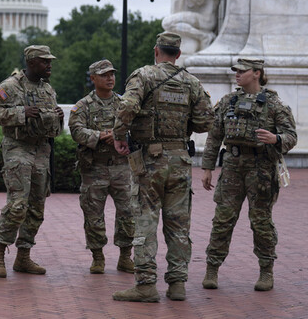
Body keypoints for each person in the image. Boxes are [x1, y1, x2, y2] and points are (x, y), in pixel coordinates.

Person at [110, 32, 214, 302]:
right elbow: (205, 122)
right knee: (179, 224)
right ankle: (177, 284)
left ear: (156, 51)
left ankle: (145, 285)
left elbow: (126, 108)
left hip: (150, 161)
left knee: (145, 222)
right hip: (180, 160)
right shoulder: (191, 82)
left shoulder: (143, 76)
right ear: (178, 54)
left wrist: (120, 136)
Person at [200, 58, 297, 292]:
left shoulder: (274, 104)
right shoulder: (227, 102)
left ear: (256, 73)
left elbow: (291, 135)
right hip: (232, 165)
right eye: (236, 71)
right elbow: (214, 136)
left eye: (242, 71)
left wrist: (276, 139)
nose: (237, 75)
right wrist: (207, 168)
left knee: (261, 221)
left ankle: (266, 271)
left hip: (261, 168)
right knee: (223, 220)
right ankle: (212, 269)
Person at [0, 45, 64, 278]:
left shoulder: (47, 89)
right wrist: (19, 113)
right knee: (18, 204)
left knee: (37, 207)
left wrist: (58, 119)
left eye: (50, 61)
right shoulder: (10, 86)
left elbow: (51, 126)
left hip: (41, 149)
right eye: (44, 61)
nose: (49, 65)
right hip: (18, 148)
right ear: (30, 62)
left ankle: (23, 256)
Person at [69, 59, 134, 275]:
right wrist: (100, 136)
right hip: (94, 168)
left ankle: (126, 256)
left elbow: (136, 129)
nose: (110, 78)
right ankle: (97, 256)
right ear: (93, 78)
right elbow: (76, 131)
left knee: (128, 213)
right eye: (104, 75)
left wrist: (118, 136)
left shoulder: (123, 104)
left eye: (112, 74)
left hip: (121, 167)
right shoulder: (83, 105)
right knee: (93, 215)